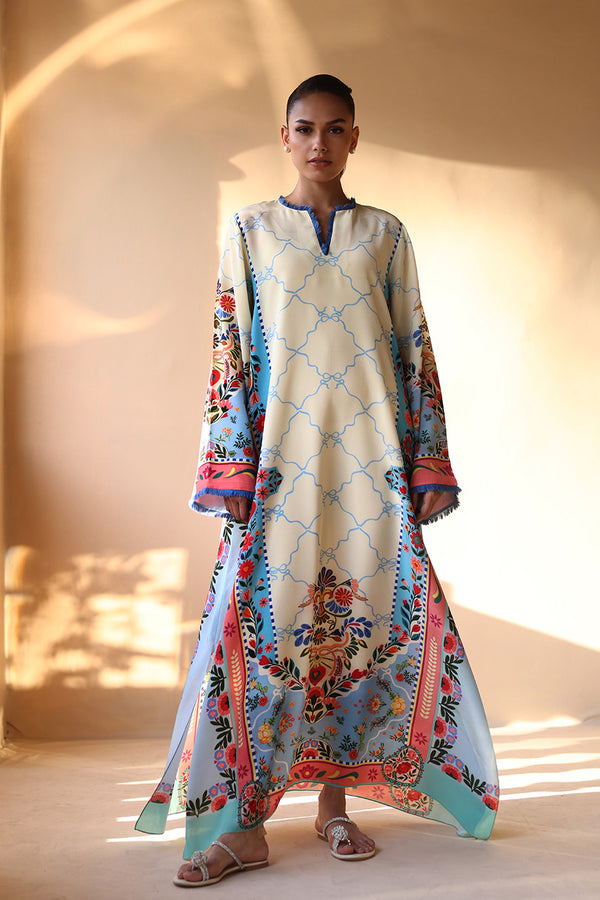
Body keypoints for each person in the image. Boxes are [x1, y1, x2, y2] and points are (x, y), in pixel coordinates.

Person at [135, 74, 499, 887]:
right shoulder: (251, 230)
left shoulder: (386, 235)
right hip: (279, 468)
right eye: (305, 128)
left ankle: (335, 808)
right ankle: (244, 827)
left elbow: (413, 348)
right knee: (261, 630)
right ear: (285, 136)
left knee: (354, 628)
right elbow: (229, 344)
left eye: (336, 129)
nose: (319, 144)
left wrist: (428, 461)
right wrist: (230, 464)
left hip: (372, 467)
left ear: (354, 139)